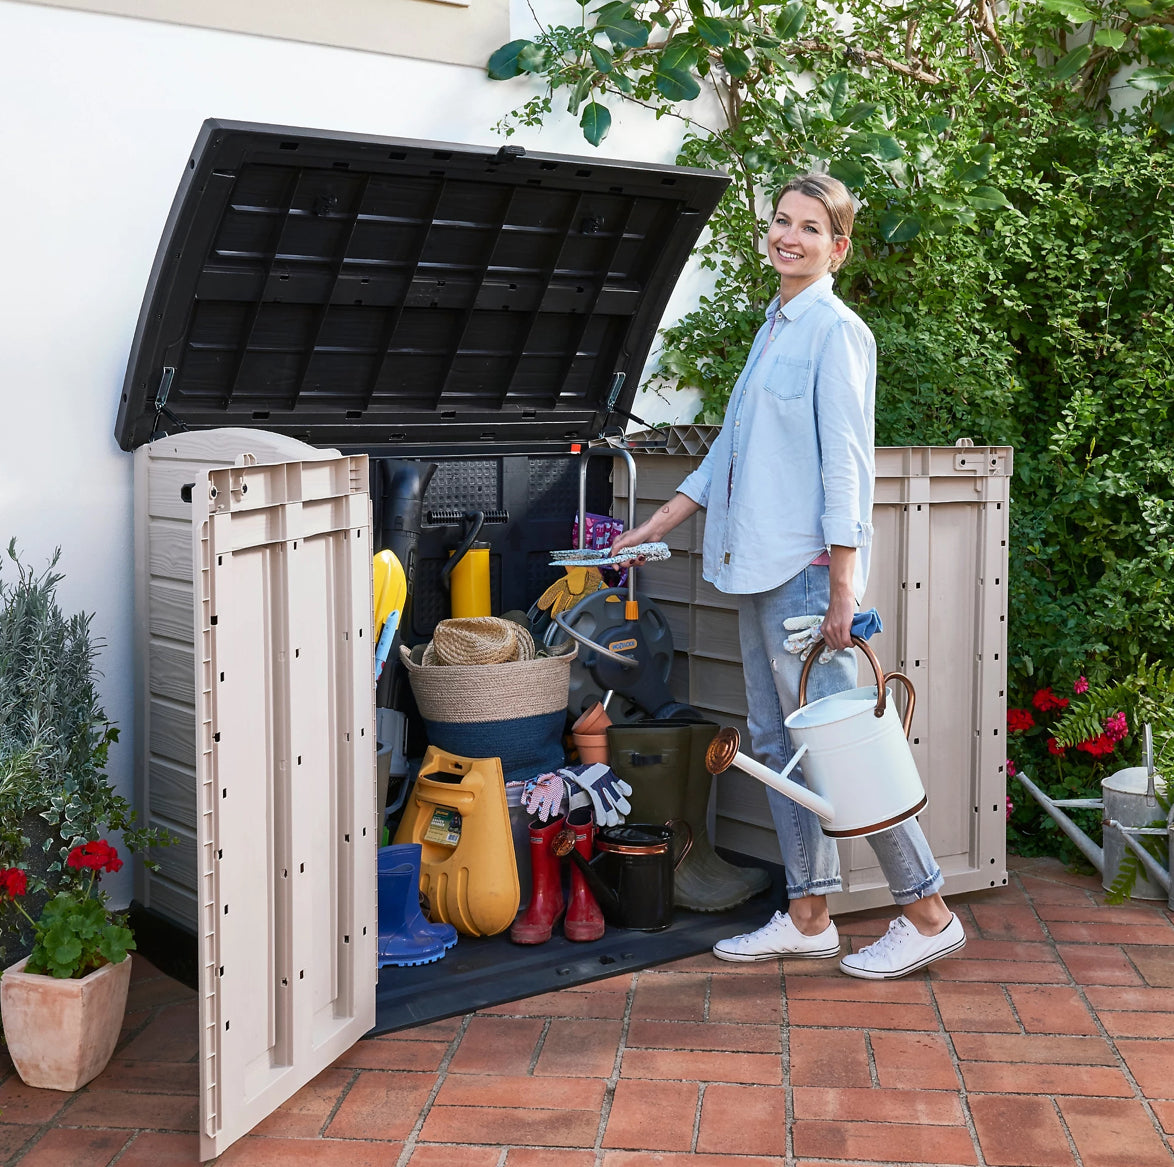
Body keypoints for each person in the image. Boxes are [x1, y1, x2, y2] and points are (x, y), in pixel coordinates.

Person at [609, 172, 965, 979]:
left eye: (810, 227)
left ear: (838, 247)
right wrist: (660, 523)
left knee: (845, 747)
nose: (789, 236)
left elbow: (847, 468)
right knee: (777, 745)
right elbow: (732, 447)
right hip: (758, 569)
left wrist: (845, 586)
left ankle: (927, 909)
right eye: (781, 221)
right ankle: (808, 913)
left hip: (807, 577)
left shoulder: (835, 331)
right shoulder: (776, 324)